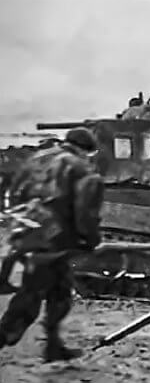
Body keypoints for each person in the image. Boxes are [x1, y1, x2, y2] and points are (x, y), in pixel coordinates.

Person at [0, 127, 103, 361]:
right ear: (86, 150)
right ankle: (3, 335)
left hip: (27, 231)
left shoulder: (38, 158)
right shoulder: (81, 168)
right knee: (29, 298)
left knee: (61, 291)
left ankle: (54, 346)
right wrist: (90, 239)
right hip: (54, 241)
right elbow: (85, 212)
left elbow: (14, 194)